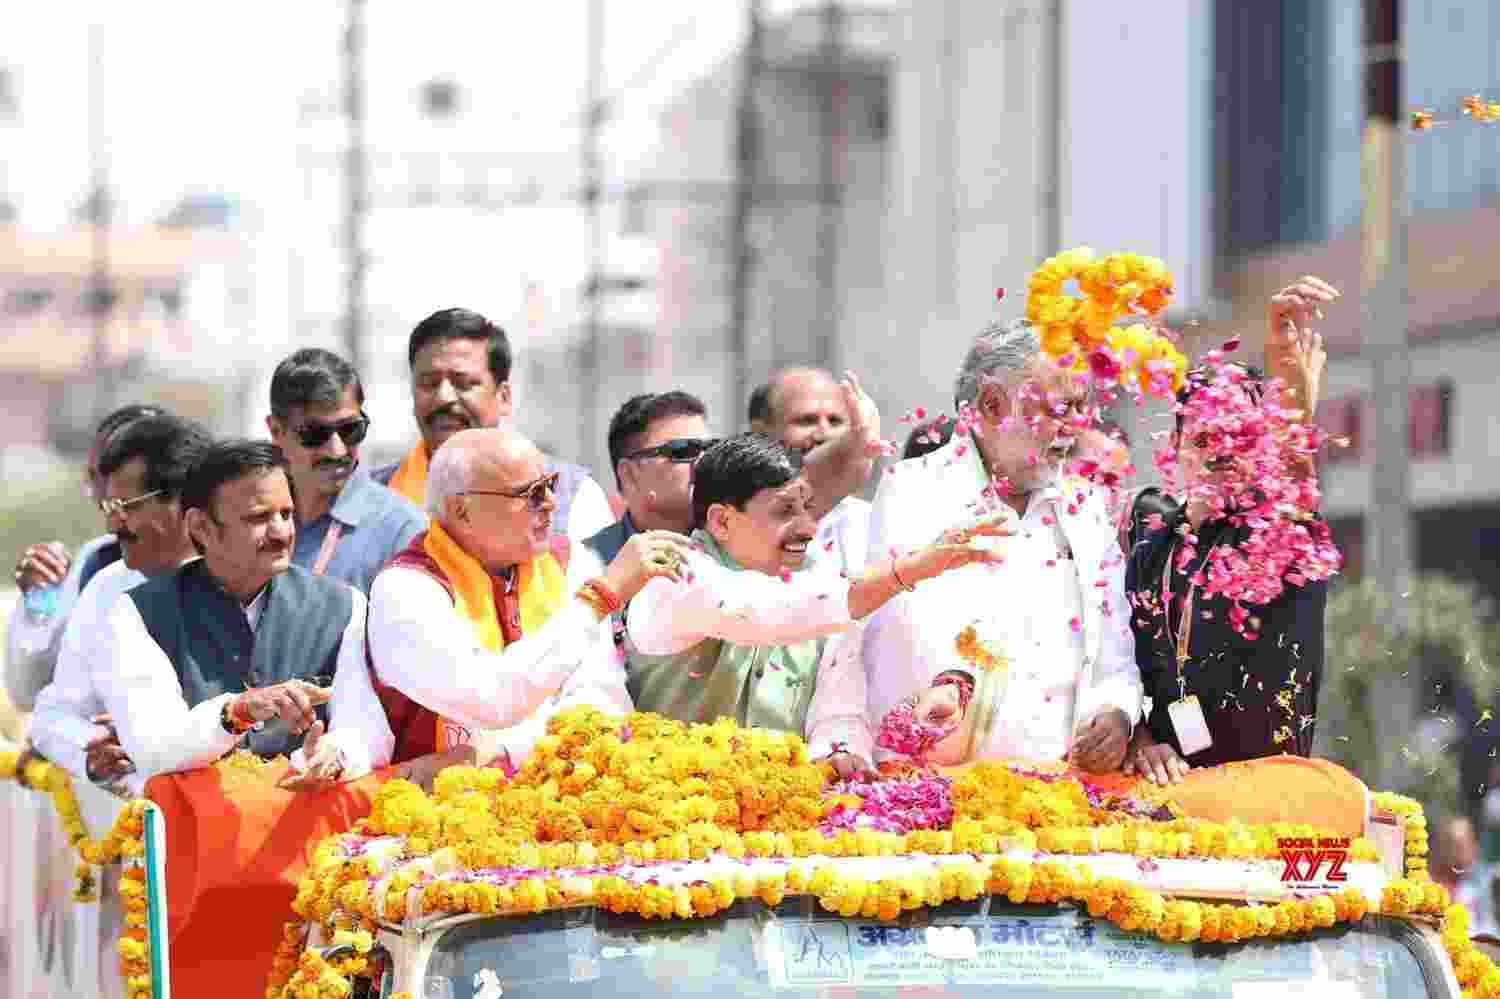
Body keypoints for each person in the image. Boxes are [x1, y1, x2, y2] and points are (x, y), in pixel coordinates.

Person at [309, 427, 691, 783]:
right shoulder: (407, 587)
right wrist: (599, 597)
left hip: (551, 794)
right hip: (432, 819)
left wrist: (501, 752)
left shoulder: (568, 564)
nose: (551, 504)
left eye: (551, 485)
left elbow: (601, 703)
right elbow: (491, 698)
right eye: (530, 493)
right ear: (461, 510)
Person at [625, 433, 1007, 776]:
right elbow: (761, 611)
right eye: (785, 510)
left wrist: (839, 753)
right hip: (664, 823)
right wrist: (905, 572)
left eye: (807, 507)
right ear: (722, 521)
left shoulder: (822, 577)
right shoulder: (674, 574)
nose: (808, 527)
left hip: (780, 825)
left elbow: (839, 709)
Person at [861, 319, 1142, 772]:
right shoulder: (914, 490)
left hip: (1060, 791)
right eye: (1059, 408)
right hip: (933, 789)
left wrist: (1118, 712)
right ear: (993, 405)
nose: (1075, 427)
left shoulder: (1085, 506)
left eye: (1081, 408)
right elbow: (894, 636)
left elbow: (1114, 643)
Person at [1123, 277, 1335, 784]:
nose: (1219, 451)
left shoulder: (1278, 537)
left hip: (1270, 805)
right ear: (1174, 445)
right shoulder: (1151, 546)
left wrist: (1285, 372)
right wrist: (1142, 737)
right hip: (1169, 806)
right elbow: (1112, 665)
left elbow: (1292, 480)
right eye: (1203, 437)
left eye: (1238, 437)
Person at [79, 441, 364, 781]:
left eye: (286, 514)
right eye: (259, 517)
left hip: (317, 827)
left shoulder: (344, 605)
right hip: (195, 830)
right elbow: (152, 747)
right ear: (200, 527)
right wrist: (237, 712)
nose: (281, 532)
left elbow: (365, 726)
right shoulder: (138, 613)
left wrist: (336, 756)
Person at [28, 414, 213, 792]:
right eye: (109, 508)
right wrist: (90, 750)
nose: (114, 525)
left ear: (181, 503)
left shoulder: (248, 580)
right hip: (140, 828)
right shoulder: (107, 589)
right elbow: (52, 715)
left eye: (125, 506)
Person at [372, 308, 612, 542]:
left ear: (504, 396)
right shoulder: (372, 497)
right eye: (429, 383)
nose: (443, 397)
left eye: (463, 383)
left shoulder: (573, 496)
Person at [6, 404, 166, 712]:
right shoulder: (98, 563)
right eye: (98, 478)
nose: (107, 497)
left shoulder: (224, 561)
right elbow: (31, 691)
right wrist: (38, 601)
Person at [266, 348, 426, 593]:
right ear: (276, 431)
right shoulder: (253, 520)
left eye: (350, 430)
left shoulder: (404, 531)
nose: (337, 450)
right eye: (315, 434)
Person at [757, 367, 882, 574]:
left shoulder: (870, 522)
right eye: (806, 420)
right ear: (763, 432)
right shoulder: (739, 517)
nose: (823, 434)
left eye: (835, 421)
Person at [583, 391, 714, 566]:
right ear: (629, 475)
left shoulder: (744, 550)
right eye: (683, 450)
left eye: (712, 448)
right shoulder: (586, 565)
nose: (703, 461)